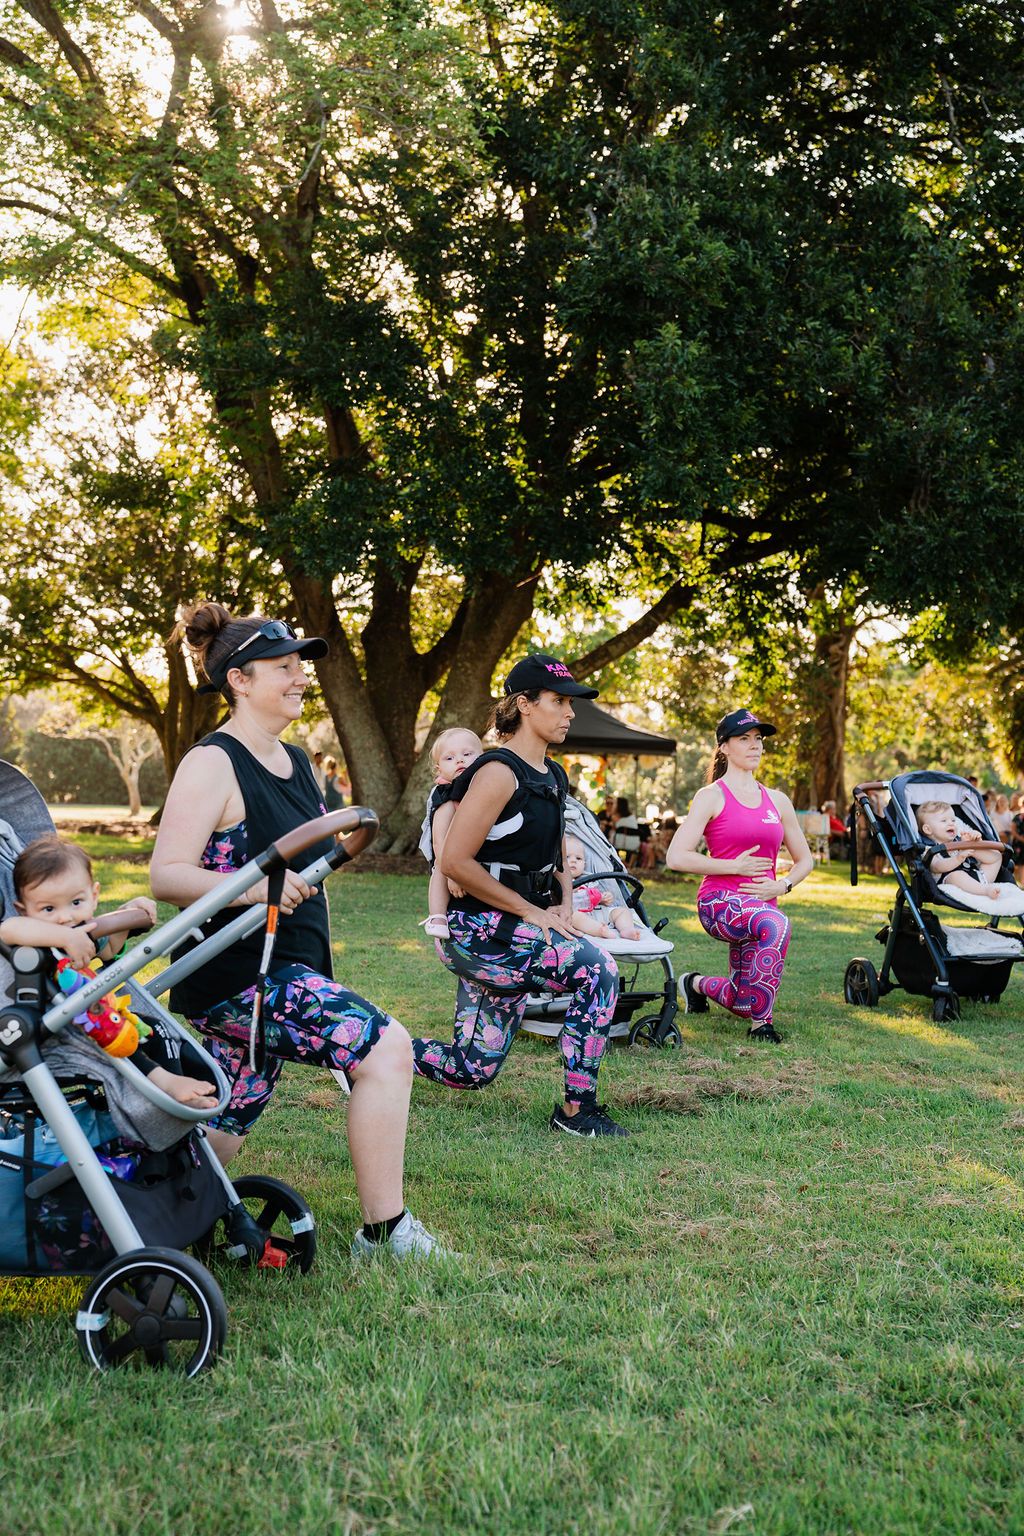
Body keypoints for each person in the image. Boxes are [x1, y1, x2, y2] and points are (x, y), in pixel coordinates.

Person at [150, 602, 443, 1259]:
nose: (300, 676)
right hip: (239, 975)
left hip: (286, 967)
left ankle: (169, 1219)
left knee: (228, 1111)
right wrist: (255, 886)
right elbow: (165, 874)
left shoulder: (296, 763)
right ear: (239, 680)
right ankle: (386, 1233)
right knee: (386, 1049)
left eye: (300, 665)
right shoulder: (213, 762)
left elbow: (304, 871)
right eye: (282, 666)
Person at [412, 653, 628, 1138]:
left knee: (471, 1070)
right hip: (477, 930)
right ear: (525, 705)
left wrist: (564, 904)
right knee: (598, 969)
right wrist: (533, 912)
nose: (570, 712)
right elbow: (454, 862)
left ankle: (371, 1051)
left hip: (515, 927)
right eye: (559, 701)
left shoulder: (552, 775)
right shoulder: (496, 771)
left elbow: (554, 856)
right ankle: (577, 1113)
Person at [0, 833, 217, 1111]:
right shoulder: (29, 932)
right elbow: (7, 929)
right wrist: (62, 937)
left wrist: (126, 916)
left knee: (157, 1029)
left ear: (94, 895)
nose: (65, 917)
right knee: (113, 1031)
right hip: (56, 1028)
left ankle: (167, 1096)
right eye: (48, 908)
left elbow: (109, 950)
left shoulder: (84, 930)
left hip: (91, 1015)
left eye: (76, 903)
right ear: (24, 909)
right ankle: (163, 1083)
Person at [666, 708, 813, 1043]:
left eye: (758, 739)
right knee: (777, 925)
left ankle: (693, 984)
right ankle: (763, 1027)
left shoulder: (777, 800)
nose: (755, 745)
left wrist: (783, 884)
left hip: (762, 907)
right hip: (719, 904)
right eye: (744, 739)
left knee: (745, 1001)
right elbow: (676, 856)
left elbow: (805, 860)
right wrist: (733, 866)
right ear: (724, 747)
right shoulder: (711, 796)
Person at [418, 727, 483, 940]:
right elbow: (439, 841)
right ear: (439, 769)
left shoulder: (484, 787)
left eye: (467, 754)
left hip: (474, 854)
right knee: (439, 871)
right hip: (447, 854)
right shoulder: (445, 795)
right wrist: (452, 874)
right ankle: (437, 916)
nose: (459, 761)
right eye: (449, 758)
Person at [915, 801, 1014, 902]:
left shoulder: (960, 839)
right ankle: (985, 890)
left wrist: (973, 845)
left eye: (953, 820)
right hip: (952, 881)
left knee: (996, 856)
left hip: (978, 876)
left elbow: (990, 858)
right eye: (944, 821)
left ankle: (981, 886)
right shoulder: (929, 848)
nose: (951, 823)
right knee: (956, 875)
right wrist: (958, 858)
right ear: (928, 829)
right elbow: (936, 866)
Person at [564, 835, 641, 941]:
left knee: (622, 911)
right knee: (573, 917)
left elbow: (598, 897)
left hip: (599, 912)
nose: (573, 861)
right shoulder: (560, 883)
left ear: (585, 863)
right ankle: (599, 930)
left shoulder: (590, 879)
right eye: (567, 857)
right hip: (580, 915)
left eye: (578, 858)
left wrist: (604, 898)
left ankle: (627, 929)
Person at [611, 797, 641, 867]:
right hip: (635, 843)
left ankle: (620, 863)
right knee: (634, 850)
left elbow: (614, 829)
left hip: (620, 843)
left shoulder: (615, 817)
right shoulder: (632, 817)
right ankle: (630, 864)